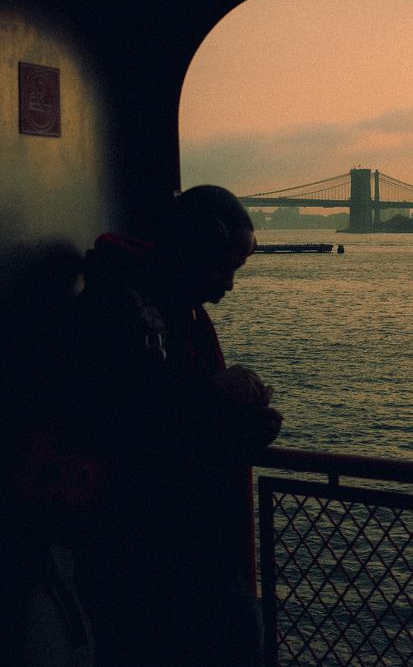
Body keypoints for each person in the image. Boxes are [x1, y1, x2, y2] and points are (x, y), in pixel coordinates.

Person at [69, 186, 282, 667]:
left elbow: (173, 418)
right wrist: (216, 391)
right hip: (141, 548)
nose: (229, 284)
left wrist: (242, 422)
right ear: (193, 245)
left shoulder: (172, 308)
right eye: (224, 266)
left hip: (169, 543)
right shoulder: (115, 309)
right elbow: (120, 420)